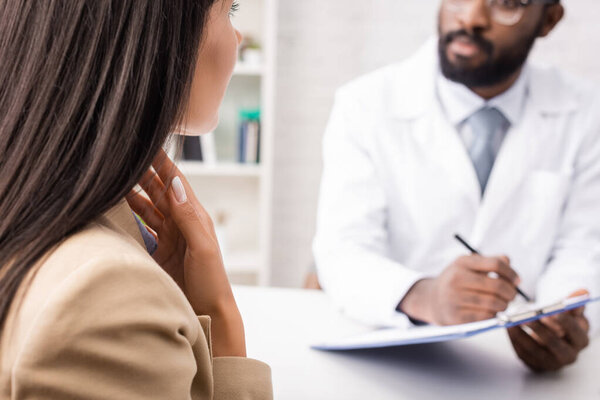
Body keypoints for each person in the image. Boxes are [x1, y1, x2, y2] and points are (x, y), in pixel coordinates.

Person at [0, 1, 272, 398]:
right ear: (159, 35)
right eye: (229, 11)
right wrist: (222, 324)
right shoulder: (110, 295)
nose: (237, 38)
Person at [314, 0, 600, 372]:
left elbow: (583, 246)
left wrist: (560, 316)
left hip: (522, 373)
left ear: (548, 19)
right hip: (395, 368)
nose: (470, 17)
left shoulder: (586, 113)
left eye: (508, 3)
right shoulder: (363, 105)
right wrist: (424, 295)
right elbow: (342, 251)